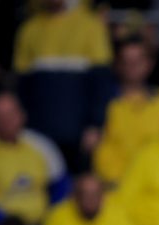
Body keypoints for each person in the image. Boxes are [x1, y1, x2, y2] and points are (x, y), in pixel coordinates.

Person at [12, 0, 112, 171]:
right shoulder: (29, 29)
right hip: (39, 129)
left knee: (79, 181)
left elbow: (101, 84)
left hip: (78, 132)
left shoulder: (91, 26)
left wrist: (95, 124)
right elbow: (22, 87)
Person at [0, 91, 69, 225]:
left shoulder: (41, 144)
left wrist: (50, 216)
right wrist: (7, 223)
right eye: (0, 117)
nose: (7, 121)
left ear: (22, 115)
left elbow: (61, 186)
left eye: (10, 114)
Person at [92, 37, 159, 185]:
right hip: (115, 185)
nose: (132, 66)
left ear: (149, 64)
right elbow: (97, 146)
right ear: (117, 64)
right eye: (126, 61)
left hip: (157, 184)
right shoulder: (103, 104)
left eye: (138, 61)